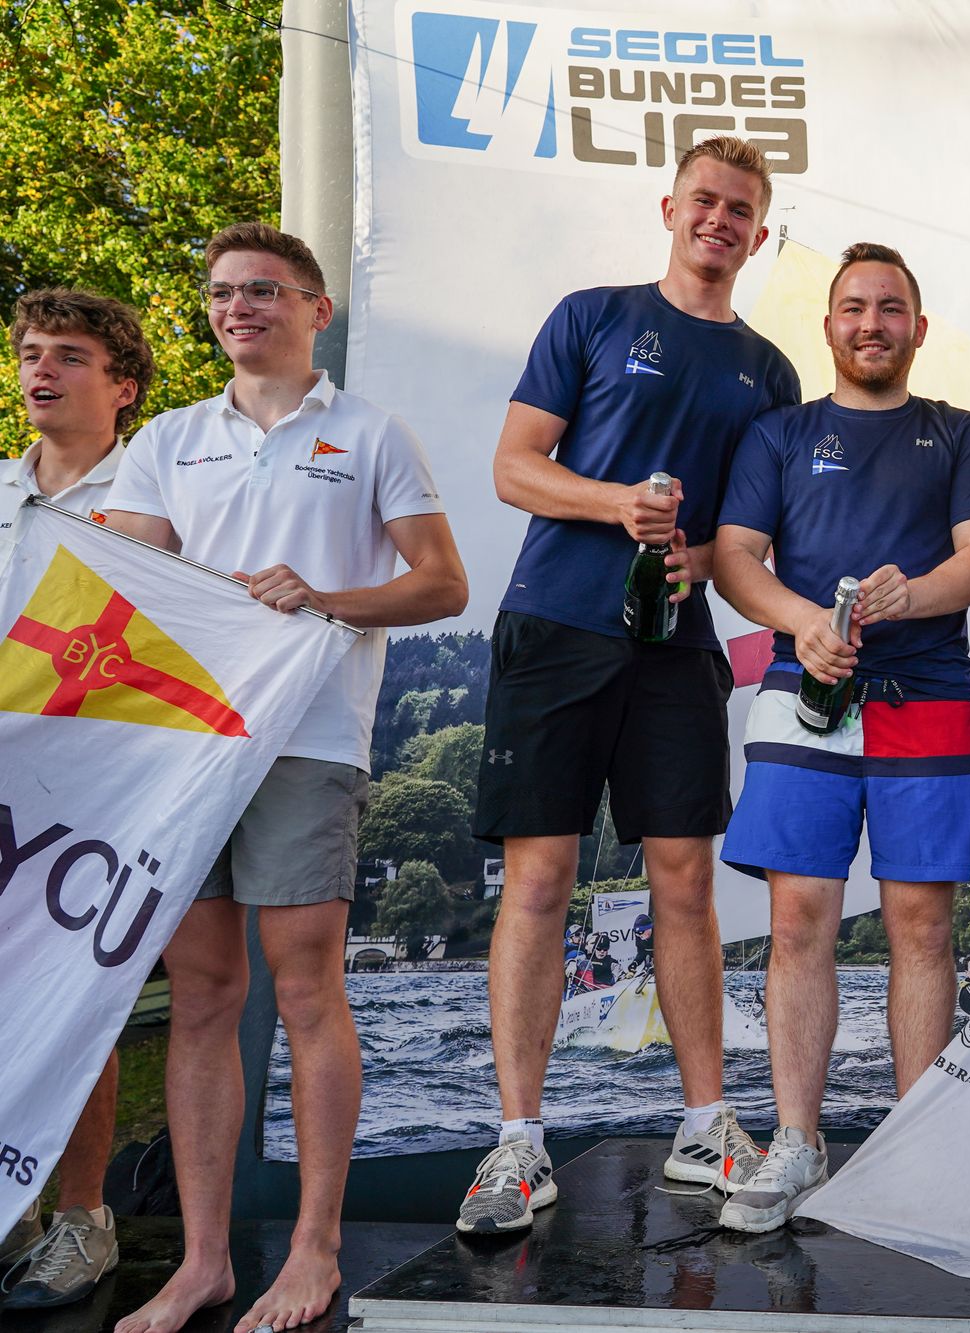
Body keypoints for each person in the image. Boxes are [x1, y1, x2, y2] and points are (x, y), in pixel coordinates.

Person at [103, 223, 468, 1333]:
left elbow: (442, 584)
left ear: (316, 309)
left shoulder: (371, 433)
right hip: (184, 744)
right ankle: (203, 1261)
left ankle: (314, 1247)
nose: (238, 307)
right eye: (221, 292)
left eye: (263, 289)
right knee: (203, 996)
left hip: (307, 739)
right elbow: (125, 586)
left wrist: (322, 597)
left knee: (306, 990)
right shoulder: (167, 438)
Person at [466, 135, 800, 1233]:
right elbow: (515, 466)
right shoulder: (592, 316)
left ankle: (704, 1125)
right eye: (703, 200)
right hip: (556, 624)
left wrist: (699, 556)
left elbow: (753, 533)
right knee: (541, 877)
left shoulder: (770, 372)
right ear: (669, 208)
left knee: (684, 878)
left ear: (759, 233)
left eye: (738, 209)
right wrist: (618, 504)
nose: (718, 220)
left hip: (675, 644)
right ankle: (518, 1143)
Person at [712, 242, 970, 1232]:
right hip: (805, 696)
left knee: (921, 925)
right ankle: (797, 1142)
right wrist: (803, 622)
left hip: (928, 695)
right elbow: (735, 556)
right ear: (829, 323)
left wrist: (911, 596)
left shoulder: (961, 434)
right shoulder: (779, 434)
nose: (871, 324)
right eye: (853, 307)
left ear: (917, 328)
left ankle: (916, 1148)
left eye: (889, 308)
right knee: (799, 919)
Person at [0, 288, 155, 1311]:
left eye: (66, 356)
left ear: (123, 386)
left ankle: (82, 1216)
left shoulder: (155, 493)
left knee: (78, 999)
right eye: (28, 353)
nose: (40, 371)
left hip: (101, 784)